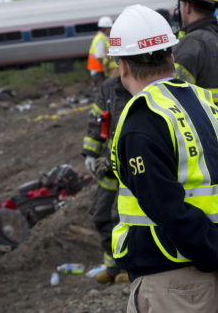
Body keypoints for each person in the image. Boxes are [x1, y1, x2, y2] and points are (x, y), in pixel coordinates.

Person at [108, 4, 218, 312]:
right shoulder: (212, 111)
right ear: (172, 55)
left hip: (172, 286)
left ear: (122, 65)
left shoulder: (142, 121)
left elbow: (169, 210)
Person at [81, 75, 132, 284]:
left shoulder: (145, 86)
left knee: (123, 219)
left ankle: (130, 267)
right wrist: (91, 153)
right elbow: (97, 121)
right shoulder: (110, 88)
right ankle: (112, 268)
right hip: (111, 168)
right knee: (102, 215)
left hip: (133, 169)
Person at [87, 16, 114, 85]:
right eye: (110, 28)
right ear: (106, 29)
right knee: (102, 93)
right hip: (99, 71)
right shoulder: (100, 39)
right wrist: (106, 69)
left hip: (99, 70)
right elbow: (99, 56)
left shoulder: (102, 37)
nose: (111, 30)